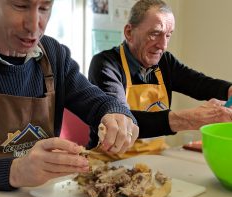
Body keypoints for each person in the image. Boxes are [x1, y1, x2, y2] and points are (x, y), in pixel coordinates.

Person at [0, 0, 139, 197]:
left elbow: (99, 102)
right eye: (21, 6)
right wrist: (17, 170)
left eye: (44, 8)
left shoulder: (55, 55)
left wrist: (117, 113)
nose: (34, 25)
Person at [88, 0, 232, 158]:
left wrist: (228, 90)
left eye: (168, 35)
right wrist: (189, 119)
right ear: (129, 32)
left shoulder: (165, 62)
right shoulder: (106, 64)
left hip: (155, 157)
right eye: (155, 34)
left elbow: (200, 84)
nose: (162, 45)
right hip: (110, 162)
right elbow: (121, 120)